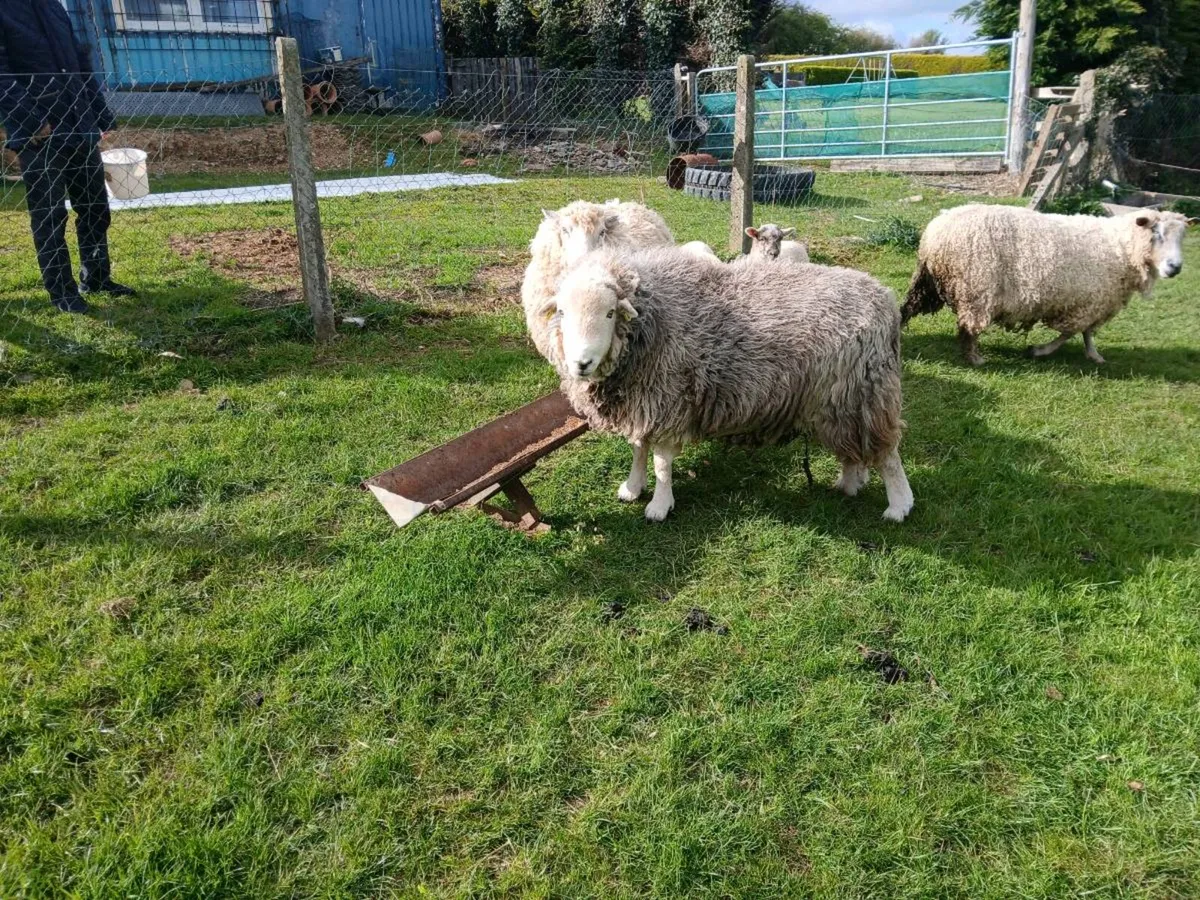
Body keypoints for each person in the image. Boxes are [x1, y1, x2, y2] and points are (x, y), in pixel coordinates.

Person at [1, 0, 135, 313]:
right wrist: (34, 121)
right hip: (38, 136)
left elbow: (80, 62)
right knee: (49, 216)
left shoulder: (54, 8)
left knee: (95, 207)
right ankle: (63, 293)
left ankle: (97, 277)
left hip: (80, 125)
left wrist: (100, 115)